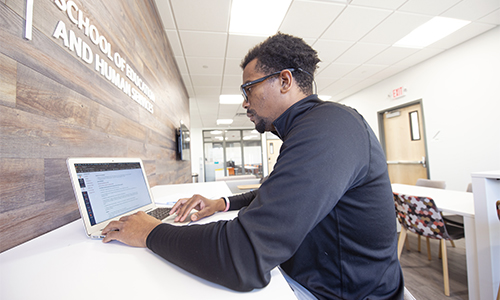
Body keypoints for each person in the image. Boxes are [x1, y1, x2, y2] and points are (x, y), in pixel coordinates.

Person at [102, 32, 404, 299]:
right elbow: (274, 193)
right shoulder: (310, 127)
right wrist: (220, 203)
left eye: (249, 88)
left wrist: (150, 232)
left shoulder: (329, 127)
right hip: (315, 278)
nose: (245, 102)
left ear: (284, 81)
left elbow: (241, 259)